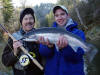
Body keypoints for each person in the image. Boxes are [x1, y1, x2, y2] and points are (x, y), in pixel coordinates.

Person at [38, 5, 86, 75]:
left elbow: (78, 56)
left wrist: (65, 48)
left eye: (62, 14)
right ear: (54, 18)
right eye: (56, 15)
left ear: (68, 15)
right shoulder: (48, 32)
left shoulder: (78, 33)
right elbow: (43, 53)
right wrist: (49, 46)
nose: (59, 17)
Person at [2, 8, 43, 75]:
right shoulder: (14, 37)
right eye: (26, 19)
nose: (28, 21)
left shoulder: (41, 35)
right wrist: (14, 53)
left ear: (34, 21)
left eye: (31, 18)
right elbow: (5, 62)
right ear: (21, 22)